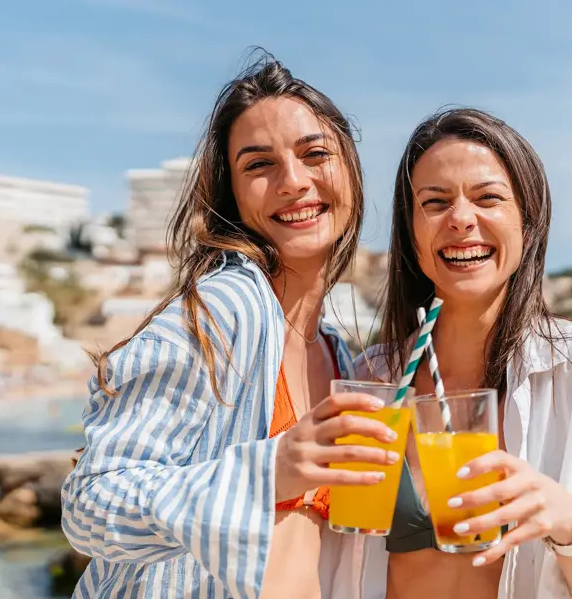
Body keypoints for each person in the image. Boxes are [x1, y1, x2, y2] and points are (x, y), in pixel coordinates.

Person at [61, 54, 399, 599]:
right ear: (233, 196)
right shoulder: (222, 312)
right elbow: (90, 505)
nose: (293, 181)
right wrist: (269, 473)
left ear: (350, 171)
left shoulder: (338, 351)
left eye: (315, 154)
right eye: (258, 165)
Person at [354, 108, 572, 598]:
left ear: (527, 224)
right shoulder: (372, 377)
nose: (462, 219)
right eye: (435, 202)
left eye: (488, 198)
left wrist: (569, 519)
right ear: (412, 235)